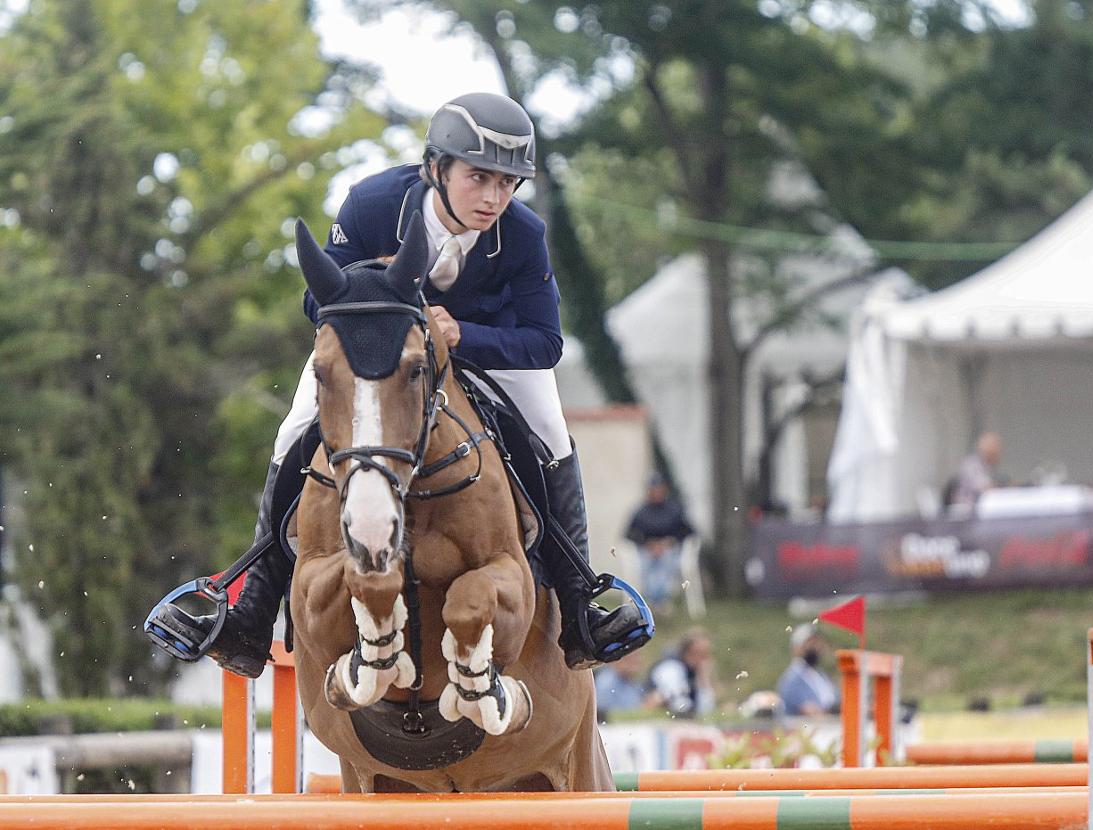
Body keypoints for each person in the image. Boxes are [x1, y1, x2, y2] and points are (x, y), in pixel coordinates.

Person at [150, 93, 649, 676]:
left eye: (508, 183)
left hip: (485, 355)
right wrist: (374, 291)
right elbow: (319, 300)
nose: (493, 197)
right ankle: (255, 607)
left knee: (552, 434)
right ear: (437, 168)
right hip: (380, 354)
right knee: (294, 429)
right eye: (479, 177)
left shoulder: (523, 232)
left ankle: (579, 599)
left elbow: (545, 342)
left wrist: (462, 332)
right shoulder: (373, 204)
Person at [624, 474, 694, 613]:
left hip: (669, 550)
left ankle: (658, 600)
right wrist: (647, 544)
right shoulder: (641, 512)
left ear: (664, 490)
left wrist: (668, 543)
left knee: (665, 565)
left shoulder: (674, 510)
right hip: (647, 550)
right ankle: (654, 602)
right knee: (645, 567)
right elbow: (629, 534)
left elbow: (688, 532)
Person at [645, 628, 716, 718]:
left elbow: (706, 712)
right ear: (688, 652)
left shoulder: (694, 673)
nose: (704, 660)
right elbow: (680, 705)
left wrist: (704, 679)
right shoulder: (671, 668)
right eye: (700, 653)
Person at [775, 623, 839, 717]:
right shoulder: (791, 678)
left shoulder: (820, 674)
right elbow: (796, 705)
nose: (815, 647)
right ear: (796, 648)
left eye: (817, 642)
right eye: (810, 642)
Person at [949, 431, 1005, 509]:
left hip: (979, 511)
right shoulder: (971, 465)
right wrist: (1006, 489)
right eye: (996, 451)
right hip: (967, 514)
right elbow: (986, 488)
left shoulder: (988, 468)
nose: (999, 455)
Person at [593, 648, 648, 722]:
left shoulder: (631, 681)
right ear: (616, 659)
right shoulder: (606, 683)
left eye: (637, 656)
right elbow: (604, 715)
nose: (636, 661)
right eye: (630, 657)